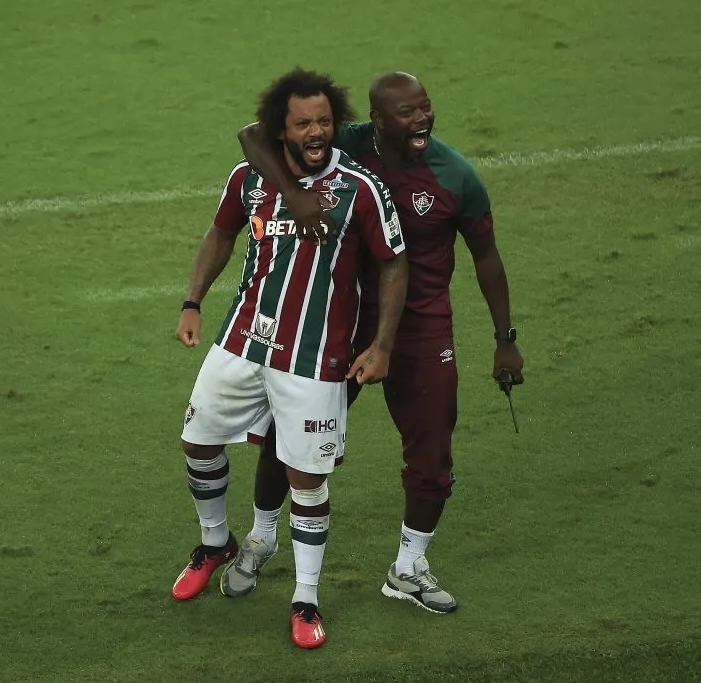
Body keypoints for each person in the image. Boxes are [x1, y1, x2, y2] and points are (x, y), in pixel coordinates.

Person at [224, 71, 525, 614]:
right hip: (338, 320)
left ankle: (408, 567)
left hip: (422, 328)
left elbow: (488, 258)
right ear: (377, 122)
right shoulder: (351, 142)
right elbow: (253, 135)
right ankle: (263, 534)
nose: (422, 120)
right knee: (285, 435)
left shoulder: (456, 177)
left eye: (425, 108)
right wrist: (292, 193)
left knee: (433, 452)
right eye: (407, 113)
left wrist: (505, 339)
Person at [172, 68, 408, 649]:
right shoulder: (250, 177)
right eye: (303, 122)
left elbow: (394, 263)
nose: (316, 131)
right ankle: (216, 541)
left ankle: (305, 600)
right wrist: (192, 301)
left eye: (324, 121)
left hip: (316, 358)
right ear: (282, 126)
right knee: (198, 441)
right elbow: (222, 233)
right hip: (243, 339)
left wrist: (381, 345)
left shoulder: (359, 187)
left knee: (308, 477)